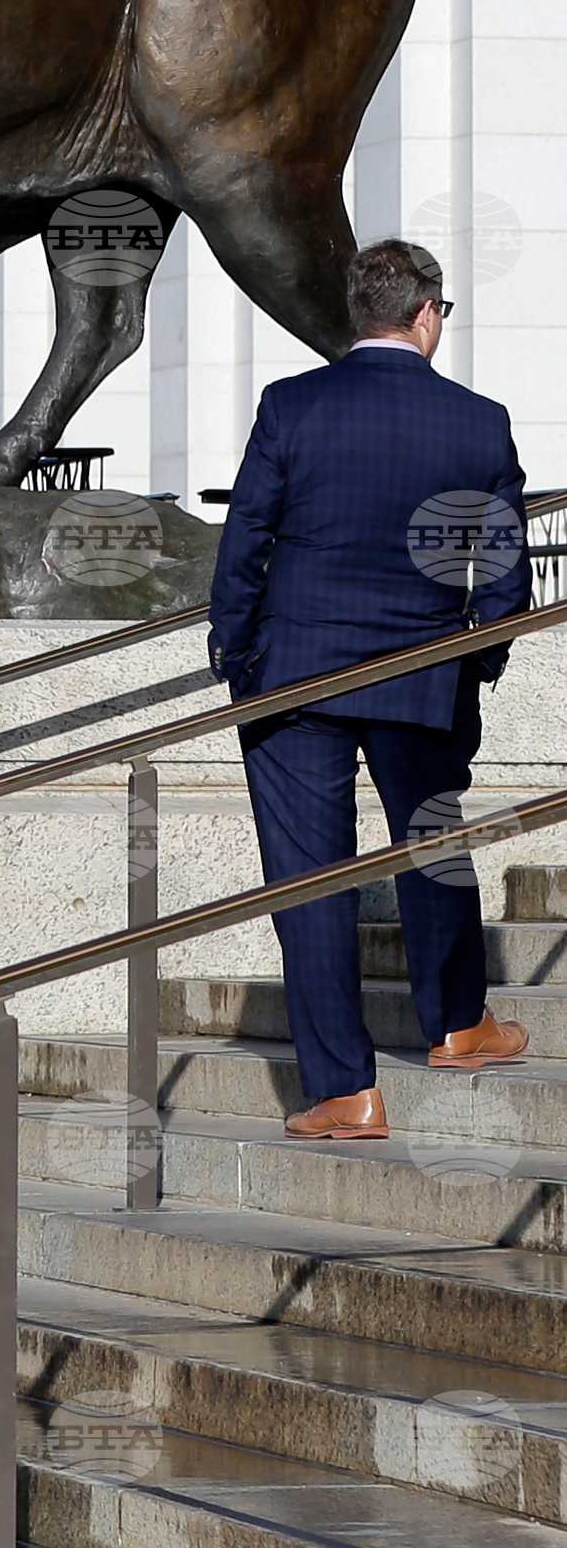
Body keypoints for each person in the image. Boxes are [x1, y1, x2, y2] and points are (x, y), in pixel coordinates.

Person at [209, 239, 532, 1139]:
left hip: (295, 673)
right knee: (431, 844)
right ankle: (460, 1025)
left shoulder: (291, 405)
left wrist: (239, 661)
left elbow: (244, 545)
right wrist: (482, 656)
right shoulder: (476, 420)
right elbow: (503, 570)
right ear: (426, 314)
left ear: (363, 314)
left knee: (313, 878)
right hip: (422, 669)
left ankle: (346, 1089)